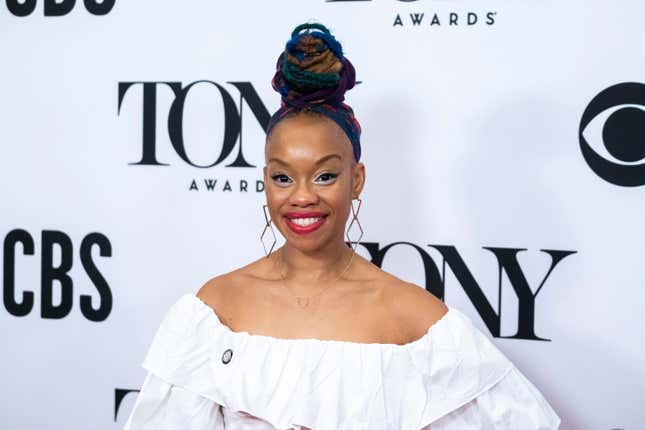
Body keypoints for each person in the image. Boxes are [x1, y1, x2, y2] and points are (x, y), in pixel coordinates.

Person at [122, 22, 561, 430]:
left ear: (357, 179)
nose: (302, 196)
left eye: (325, 175)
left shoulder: (416, 321)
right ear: (266, 183)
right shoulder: (215, 308)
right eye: (282, 176)